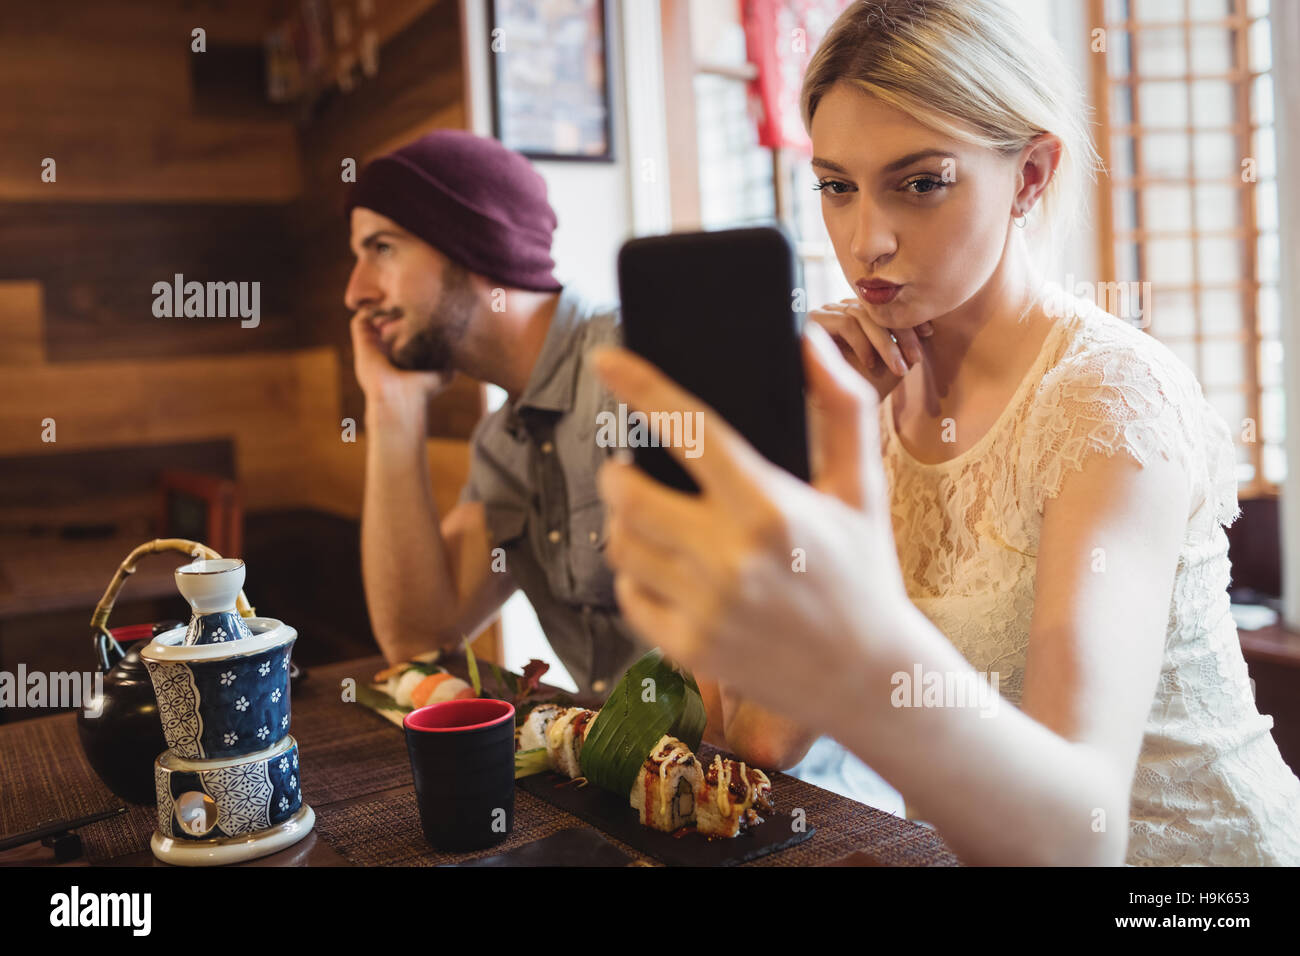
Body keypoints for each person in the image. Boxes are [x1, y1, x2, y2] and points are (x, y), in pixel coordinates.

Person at [592, 0, 1300, 865]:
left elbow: (1084, 838)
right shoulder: (864, 398)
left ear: (1031, 175)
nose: (865, 241)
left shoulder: (1108, 400)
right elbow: (764, 741)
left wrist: (861, 651)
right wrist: (815, 464)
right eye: (836, 186)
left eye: (921, 182)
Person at [343, 129, 814, 769]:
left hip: (767, 797)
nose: (357, 293)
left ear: (471, 244)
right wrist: (392, 411)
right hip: (629, 785)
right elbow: (417, 640)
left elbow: (729, 717)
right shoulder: (501, 443)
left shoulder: (644, 366)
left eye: (382, 249)